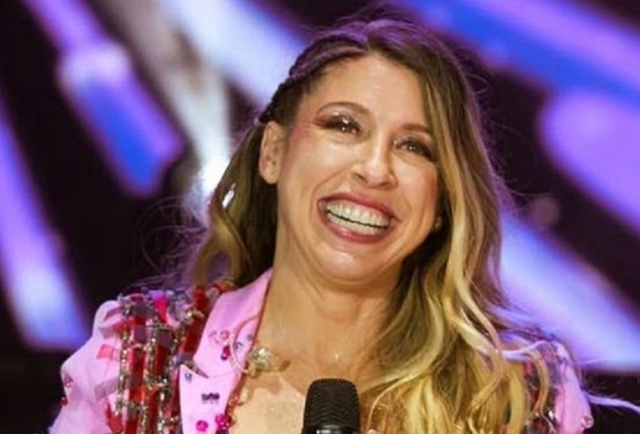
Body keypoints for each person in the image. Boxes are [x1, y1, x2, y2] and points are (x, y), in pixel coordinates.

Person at [49, 14, 595, 434]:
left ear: (443, 201)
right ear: (273, 153)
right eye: (343, 126)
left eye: (413, 146)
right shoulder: (140, 359)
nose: (375, 169)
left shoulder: (519, 392)